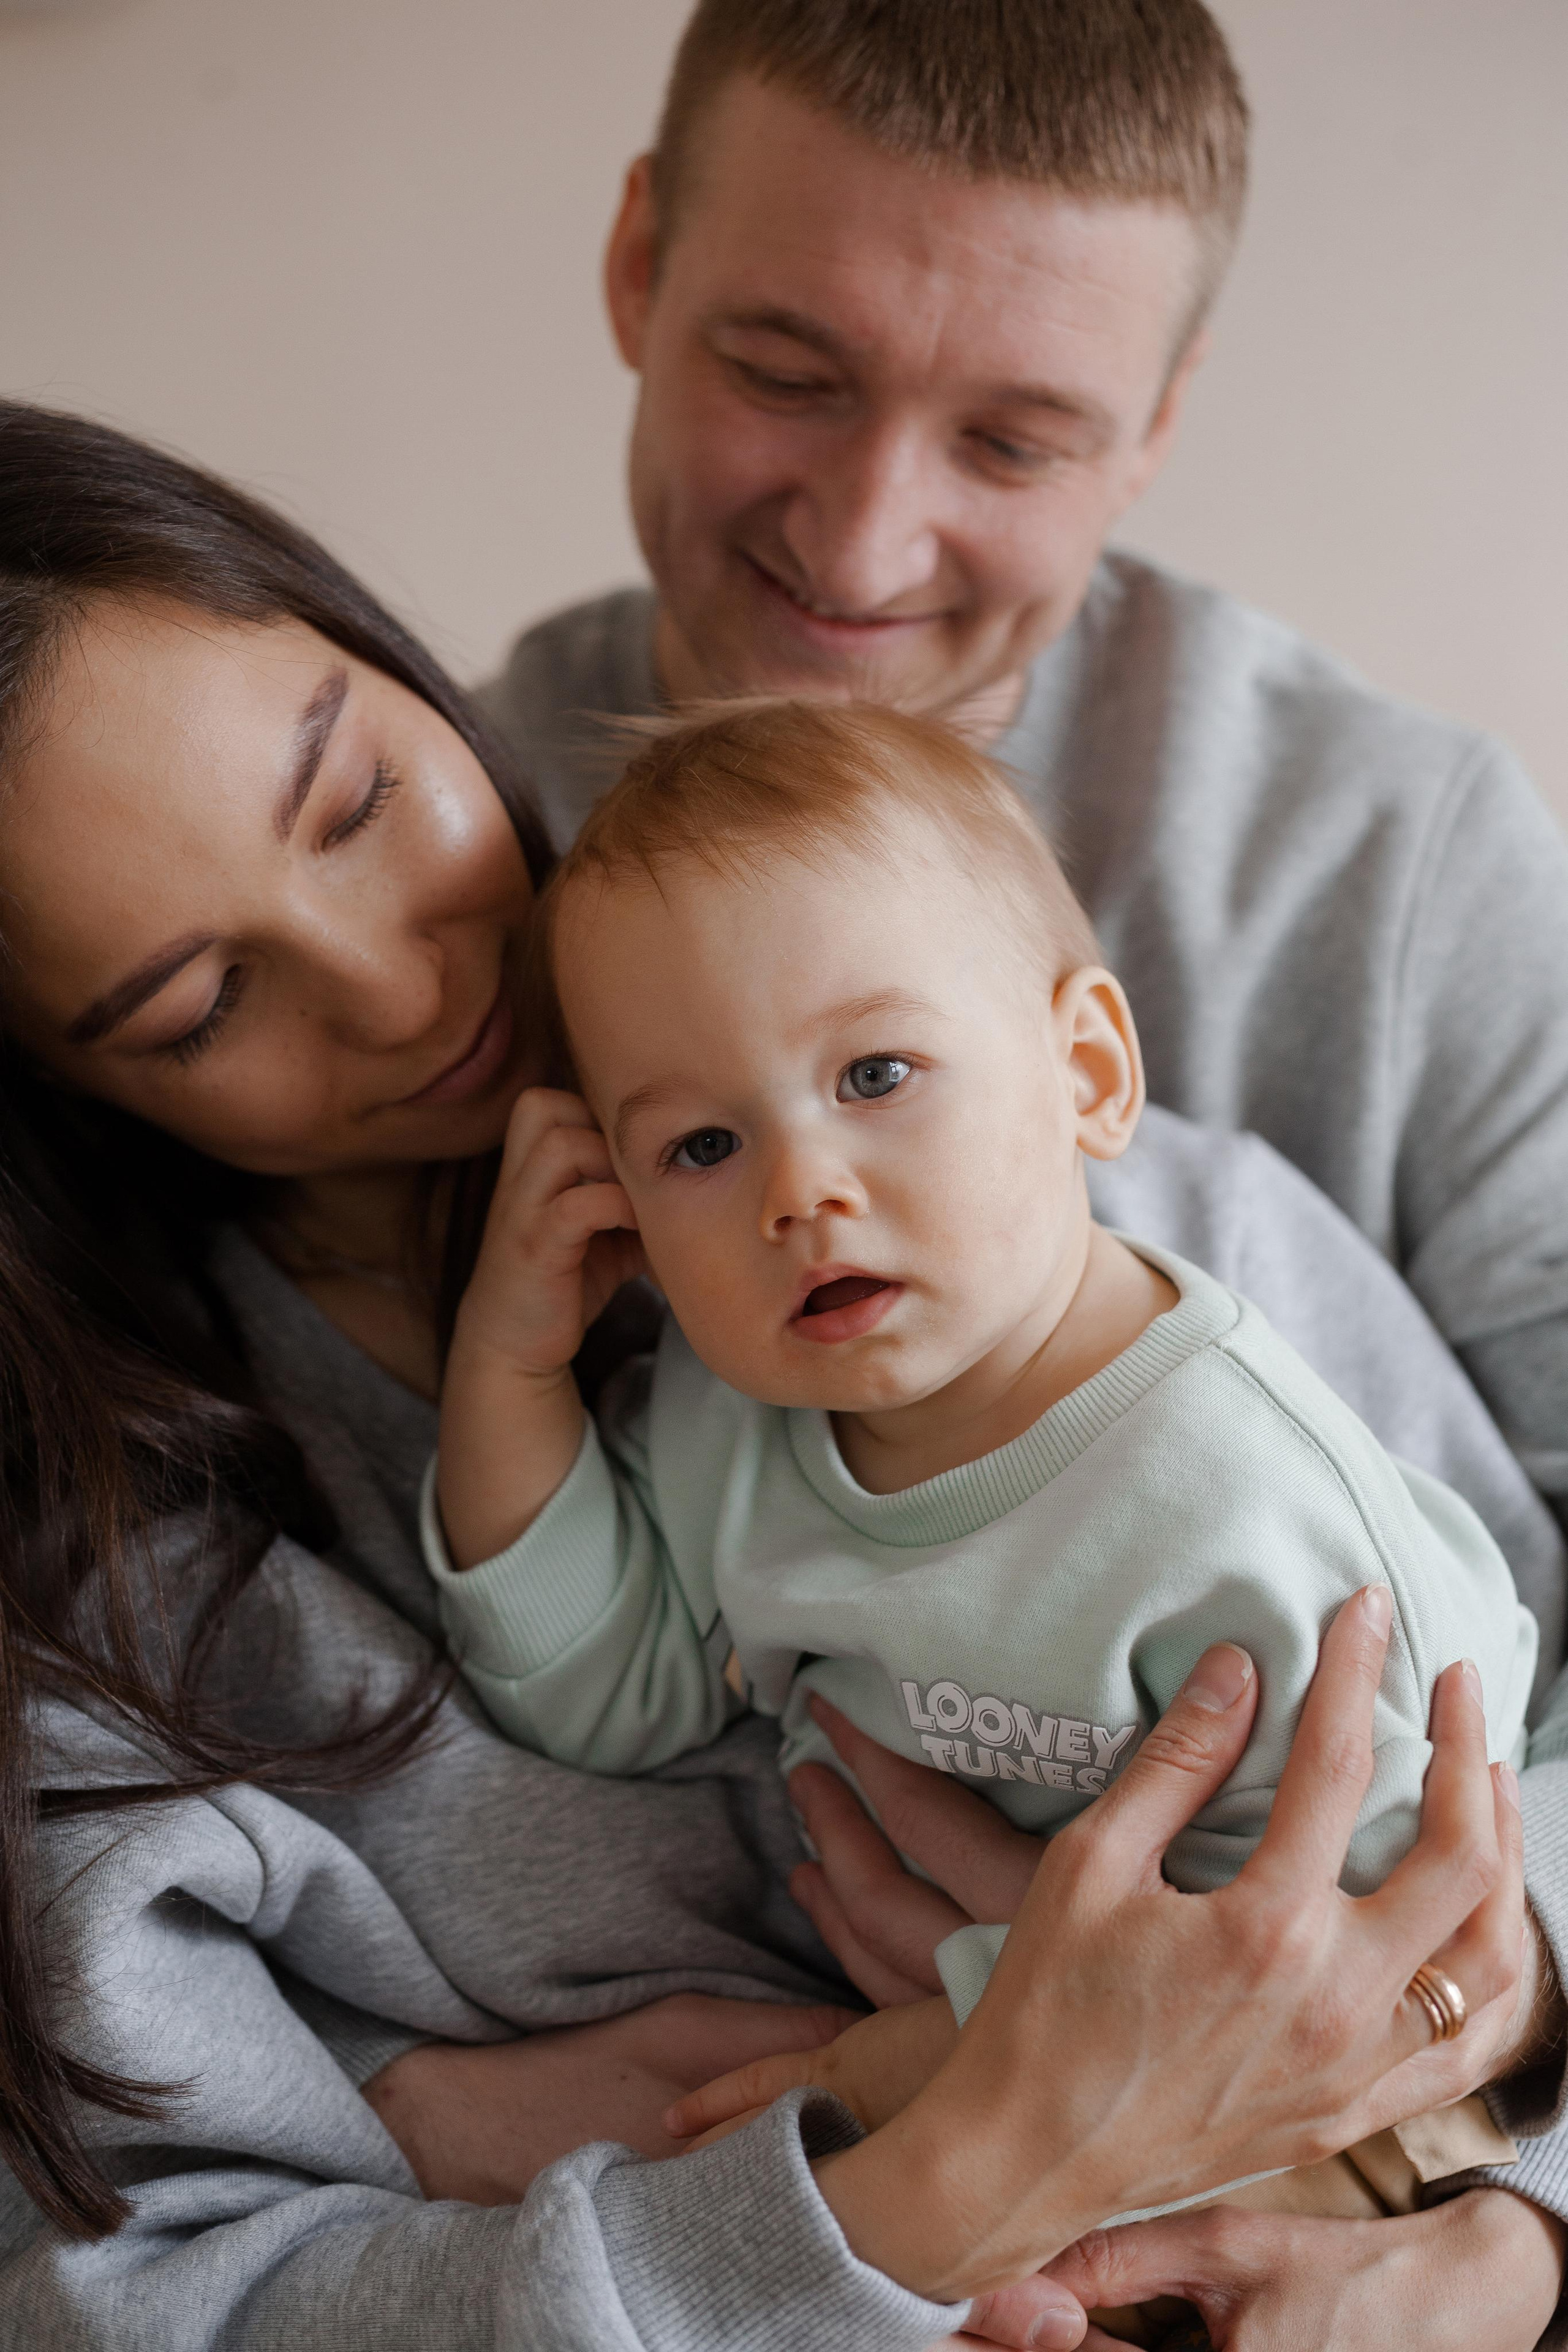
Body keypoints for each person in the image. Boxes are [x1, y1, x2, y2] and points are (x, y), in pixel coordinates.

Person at [0, 400, 1546, 2351]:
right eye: (202, 1002)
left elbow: (1524, 1737)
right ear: (62, 1092)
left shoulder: (1123, 1231)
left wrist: (1503, 2234)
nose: (400, 989)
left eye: (363, 798)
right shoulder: (107, 1584)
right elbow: (129, 2289)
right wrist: (909, 2178)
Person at [476, 0, 1568, 2330]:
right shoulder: (440, 881)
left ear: (1156, 426)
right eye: (785, 362)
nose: (866, 533)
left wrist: (1503, 2215)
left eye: (1017, 433)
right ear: (634, 264)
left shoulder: (1397, 869)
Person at [421, 697, 1529, 2275]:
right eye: (701, 1148)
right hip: (1018, 2133)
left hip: (1352, 2123)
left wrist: (946, 2052)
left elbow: (1395, 1933)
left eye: (875, 1072)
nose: (802, 1190)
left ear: (1084, 1070)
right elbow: (607, 1696)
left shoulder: (1238, 1501)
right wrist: (510, 1371)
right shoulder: (732, 1423)